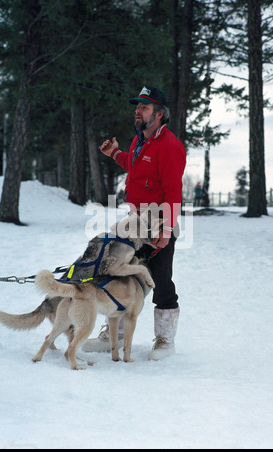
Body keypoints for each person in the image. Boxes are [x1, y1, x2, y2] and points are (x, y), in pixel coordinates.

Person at [82, 86, 186, 360]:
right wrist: (116, 154)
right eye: (137, 106)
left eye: (144, 106)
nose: (137, 111)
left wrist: (165, 230)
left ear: (160, 113)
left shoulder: (171, 147)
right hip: (136, 221)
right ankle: (112, 336)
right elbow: (136, 167)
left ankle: (165, 340)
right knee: (119, 271)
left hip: (160, 221)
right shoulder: (140, 141)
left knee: (161, 279)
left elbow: (174, 192)